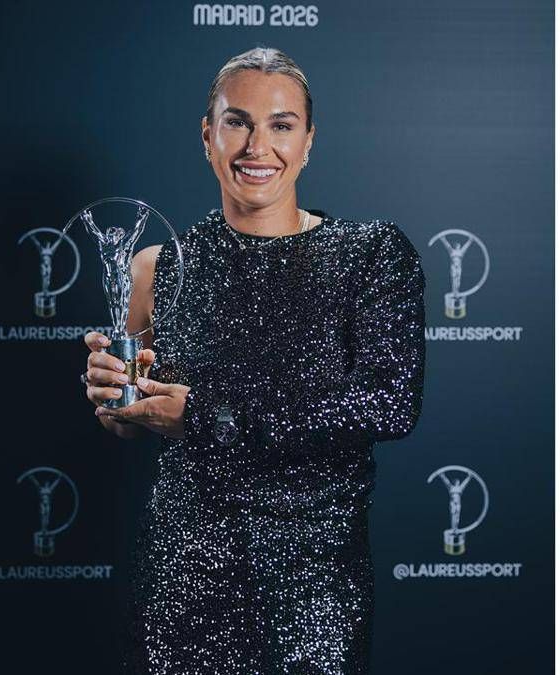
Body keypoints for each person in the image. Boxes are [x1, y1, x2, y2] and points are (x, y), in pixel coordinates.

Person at [80, 47, 425, 673]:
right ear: (207, 136)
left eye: (281, 125)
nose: (257, 147)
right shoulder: (157, 267)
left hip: (314, 586)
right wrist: (114, 399)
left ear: (309, 141)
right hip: (181, 579)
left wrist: (204, 416)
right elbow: (128, 422)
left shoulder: (371, 255)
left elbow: (388, 404)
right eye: (237, 122)